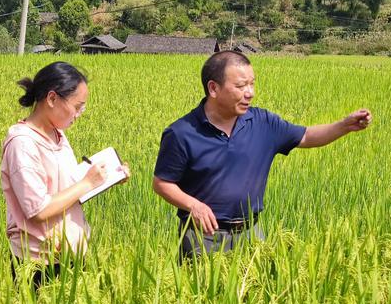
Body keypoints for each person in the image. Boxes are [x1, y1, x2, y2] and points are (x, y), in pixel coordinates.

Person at [153, 51, 372, 260]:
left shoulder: (263, 123)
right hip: (204, 237)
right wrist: (194, 206)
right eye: (240, 86)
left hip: (251, 233)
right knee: (201, 295)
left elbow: (306, 136)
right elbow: (162, 183)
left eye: (252, 83)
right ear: (213, 88)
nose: (250, 92)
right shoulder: (182, 132)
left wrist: (344, 126)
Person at [1, 61, 129, 288]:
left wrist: (106, 178)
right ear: (52, 99)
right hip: (39, 261)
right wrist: (88, 183)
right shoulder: (22, 144)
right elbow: (38, 210)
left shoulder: (57, 134)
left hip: (70, 252)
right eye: (77, 106)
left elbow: (64, 188)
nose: (79, 114)